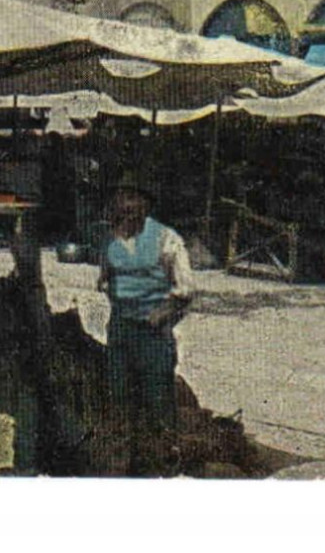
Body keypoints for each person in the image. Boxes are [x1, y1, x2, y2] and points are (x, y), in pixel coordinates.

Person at [96, 174, 195, 476]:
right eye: (121, 198)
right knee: (120, 400)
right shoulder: (111, 240)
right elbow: (106, 280)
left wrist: (161, 314)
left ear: (145, 204)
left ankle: (165, 464)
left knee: (158, 403)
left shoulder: (167, 240)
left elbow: (185, 291)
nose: (125, 206)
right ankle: (123, 466)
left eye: (132, 199)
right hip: (121, 331)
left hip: (153, 335)